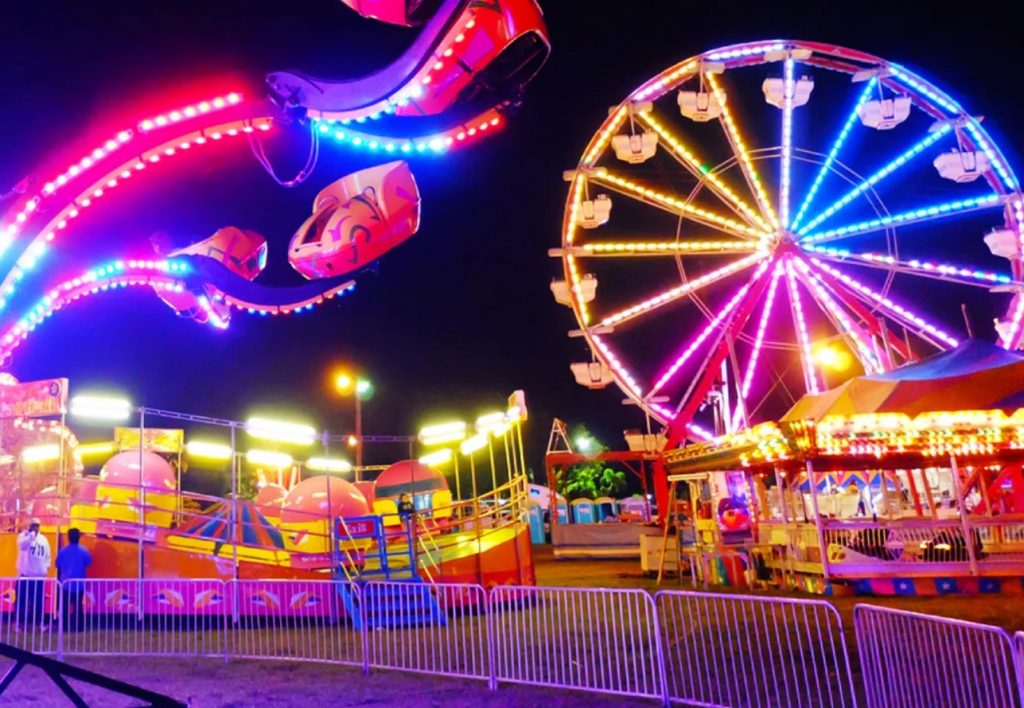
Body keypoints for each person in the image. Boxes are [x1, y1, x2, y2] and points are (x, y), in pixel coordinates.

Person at [15, 517, 51, 632]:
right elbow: (23, 546)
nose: (35, 527)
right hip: (25, 576)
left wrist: (45, 568)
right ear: (29, 526)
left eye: (37, 525)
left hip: (39, 577)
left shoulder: (43, 539)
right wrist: (31, 536)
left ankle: (40, 624)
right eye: (33, 525)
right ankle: (18, 624)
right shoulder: (23, 536)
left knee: (38, 602)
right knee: (22, 602)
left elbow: (47, 555)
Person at [55, 527, 92, 631]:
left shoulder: (62, 551)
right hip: (79, 584)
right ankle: (79, 627)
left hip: (65, 584)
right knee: (78, 606)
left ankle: (65, 627)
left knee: (65, 607)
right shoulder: (84, 551)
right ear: (79, 537)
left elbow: (57, 564)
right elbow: (89, 562)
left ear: (68, 537)